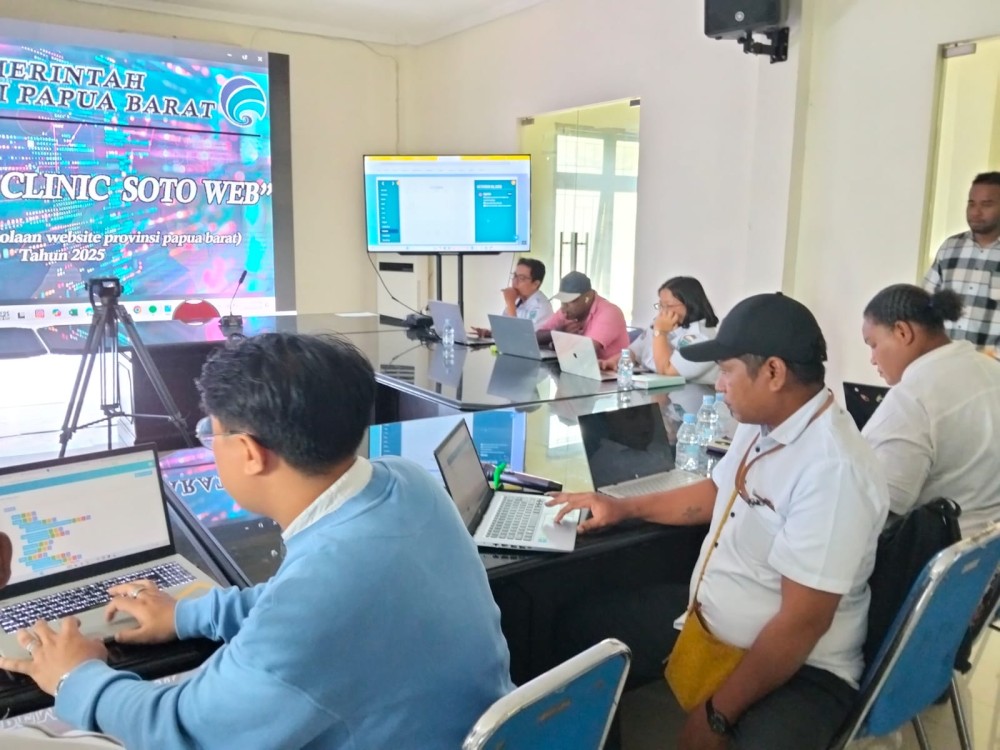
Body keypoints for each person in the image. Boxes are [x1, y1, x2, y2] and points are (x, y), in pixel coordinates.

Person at [0, 333, 514, 749]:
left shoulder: (316, 598)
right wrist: (187, 614)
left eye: (211, 432)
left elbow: (181, 732)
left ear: (249, 452)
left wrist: (75, 677)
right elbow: (308, 597)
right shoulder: (407, 482)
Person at [547, 293, 889, 750]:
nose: (720, 385)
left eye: (727, 371)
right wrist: (623, 507)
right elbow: (716, 492)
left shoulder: (833, 469)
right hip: (707, 623)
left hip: (803, 668)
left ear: (773, 373)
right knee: (582, 631)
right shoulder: (764, 421)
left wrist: (717, 715)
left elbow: (801, 625)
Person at [861, 283, 1000, 537]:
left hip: (943, 552)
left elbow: (875, 508)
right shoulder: (991, 369)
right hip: (990, 548)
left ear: (902, 332)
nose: (872, 359)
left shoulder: (912, 399)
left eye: (873, 344)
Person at [924, 171, 1000, 348]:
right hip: (948, 357)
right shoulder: (950, 248)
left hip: (992, 362)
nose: (976, 212)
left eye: (986, 204)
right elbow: (926, 301)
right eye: (971, 203)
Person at [600, 276, 720, 384]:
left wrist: (660, 333)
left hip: (688, 395)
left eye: (669, 306)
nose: (662, 311)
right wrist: (615, 361)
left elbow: (666, 371)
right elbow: (635, 351)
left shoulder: (702, 338)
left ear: (691, 305)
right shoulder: (662, 323)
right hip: (652, 387)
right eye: (661, 305)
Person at [535, 271, 630, 360]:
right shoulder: (567, 310)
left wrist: (555, 343)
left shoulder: (609, 313)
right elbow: (537, 336)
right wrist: (557, 332)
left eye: (569, 301)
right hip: (577, 367)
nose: (563, 308)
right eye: (562, 302)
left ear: (587, 297)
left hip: (611, 370)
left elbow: (585, 351)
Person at [472, 257, 553, 337]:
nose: (515, 281)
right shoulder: (518, 300)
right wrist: (490, 333)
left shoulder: (542, 308)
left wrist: (510, 303)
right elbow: (503, 328)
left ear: (535, 284)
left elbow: (522, 338)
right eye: (515, 276)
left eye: (521, 278)